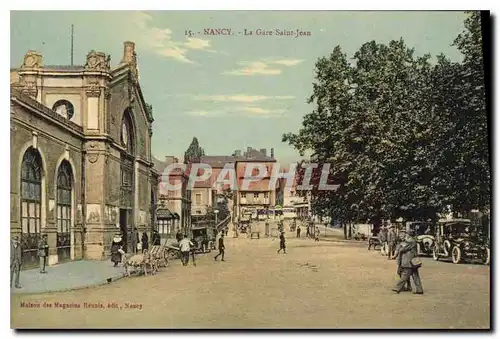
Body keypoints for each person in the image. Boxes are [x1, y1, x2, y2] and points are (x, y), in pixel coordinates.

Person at [392, 229, 424, 294]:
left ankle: (397, 288)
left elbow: (403, 249)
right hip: (413, 262)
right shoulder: (412, 241)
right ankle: (419, 289)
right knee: (415, 276)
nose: (406, 235)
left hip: (409, 262)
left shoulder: (410, 241)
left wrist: (400, 248)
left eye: (407, 234)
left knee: (405, 275)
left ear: (409, 234)